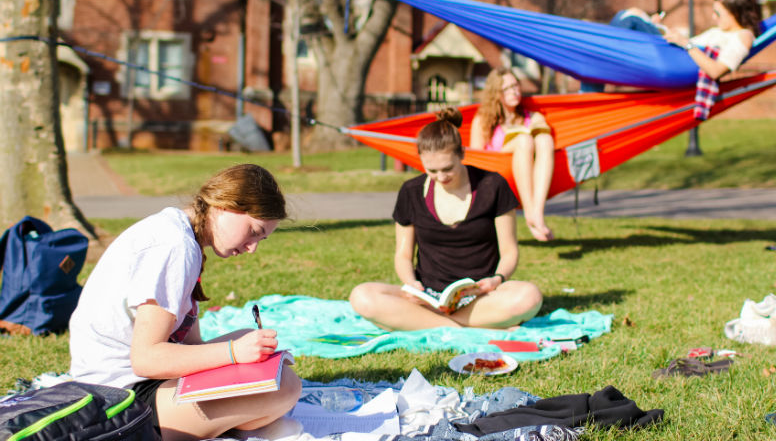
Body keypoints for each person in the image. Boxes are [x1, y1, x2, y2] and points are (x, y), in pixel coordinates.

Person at [69, 164, 300, 441]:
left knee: (256, 349)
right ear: (226, 205)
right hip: (117, 402)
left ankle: (235, 420)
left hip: (136, 384)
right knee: (284, 387)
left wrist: (243, 353)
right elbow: (146, 359)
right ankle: (238, 423)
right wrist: (234, 353)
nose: (252, 248)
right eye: (254, 230)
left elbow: (190, 347)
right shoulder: (174, 246)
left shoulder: (181, 233)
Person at [349, 108, 543, 331]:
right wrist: (412, 285)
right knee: (362, 296)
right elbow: (403, 255)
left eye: (448, 168)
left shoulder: (493, 185)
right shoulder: (410, 192)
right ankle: (468, 326)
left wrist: (497, 279)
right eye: (431, 170)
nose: (441, 177)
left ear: (461, 153)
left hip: (481, 296)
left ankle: (423, 323)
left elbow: (509, 251)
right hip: (428, 298)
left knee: (529, 296)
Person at [581, 0, 761, 94]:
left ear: (735, 13)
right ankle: (594, 76)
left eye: (718, 13)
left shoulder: (743, 36)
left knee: (629, 20)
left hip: (676, 59)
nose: (714, 18)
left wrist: (686, 43)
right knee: (629, 15)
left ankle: (591, 85)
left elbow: (715, 71)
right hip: (675, 51)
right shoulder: (725, 31)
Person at [470, 67, 556, 241]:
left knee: (545, 140)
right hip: (497, 177)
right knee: (524, 140)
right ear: (496, 93)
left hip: (526, 177)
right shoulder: (483, 121)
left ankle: (536, 214)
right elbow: (475, 159)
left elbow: (541, 133)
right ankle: (530, 213)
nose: (514, 91)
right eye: (507, 88)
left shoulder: (531, 117)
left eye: (516, 86)